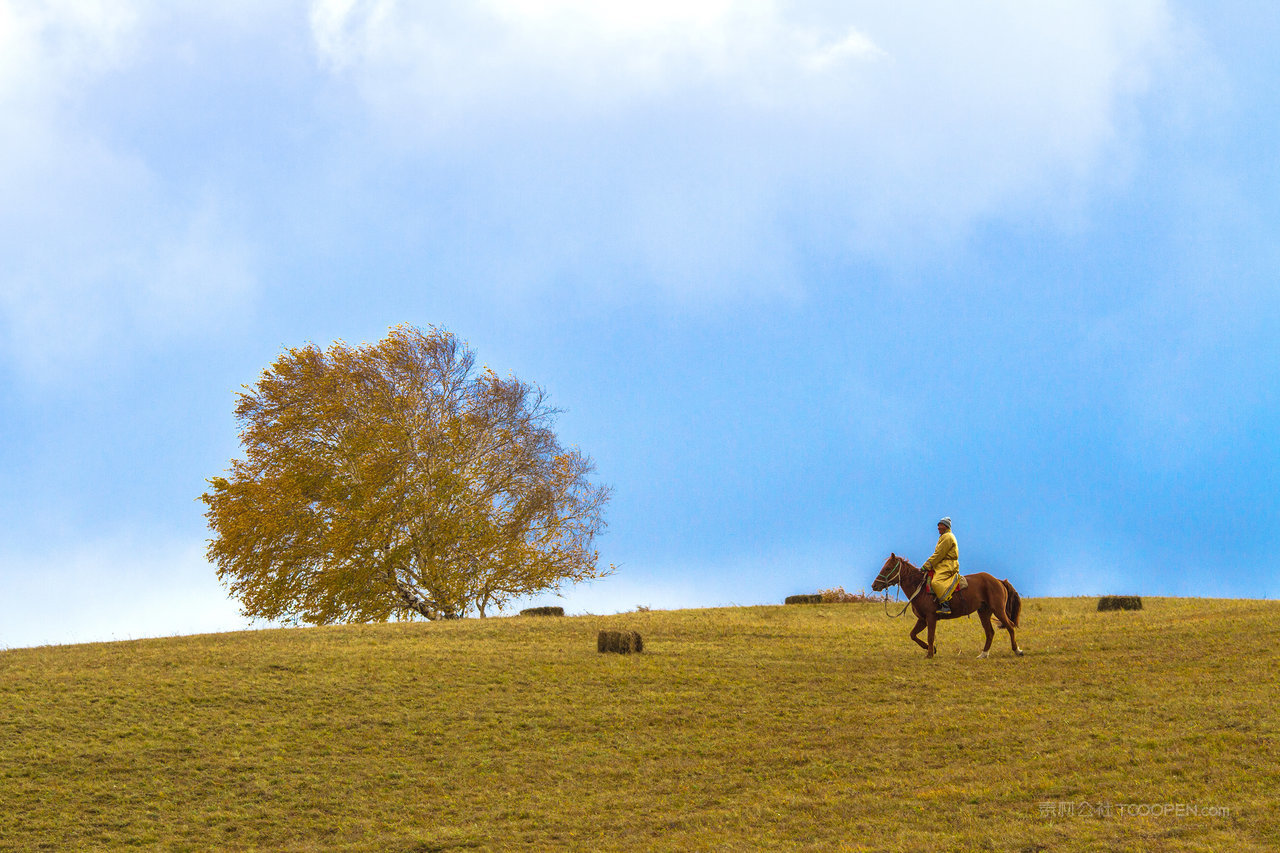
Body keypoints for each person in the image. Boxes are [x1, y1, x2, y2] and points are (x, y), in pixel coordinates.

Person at [921, 517, 960, 614]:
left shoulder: (947, 537)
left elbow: (939, 554)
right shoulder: (943, 536)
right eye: (938, 525)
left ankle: (945, 605)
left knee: (936, 582)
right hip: (942, 564)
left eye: (940, 525)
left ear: (946, 526)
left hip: (948, 565)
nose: (938, 527)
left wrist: (926, 565)